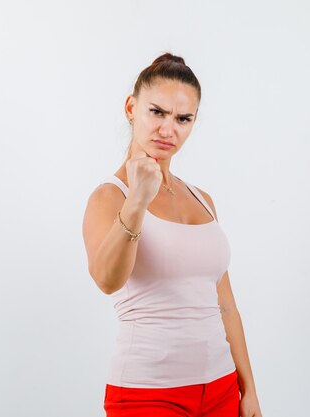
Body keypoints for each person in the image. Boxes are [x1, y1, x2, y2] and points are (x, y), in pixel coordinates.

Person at [82, 52, 263, 417]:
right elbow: (106, 280)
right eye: (157, 112)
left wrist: (249, 389)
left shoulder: (202, 199)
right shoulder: (109, 196)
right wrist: (137, 201)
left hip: (222, 386)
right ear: (131, 107)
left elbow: (225, 304)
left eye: (183, 118)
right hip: (148, 394)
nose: (169, 129)